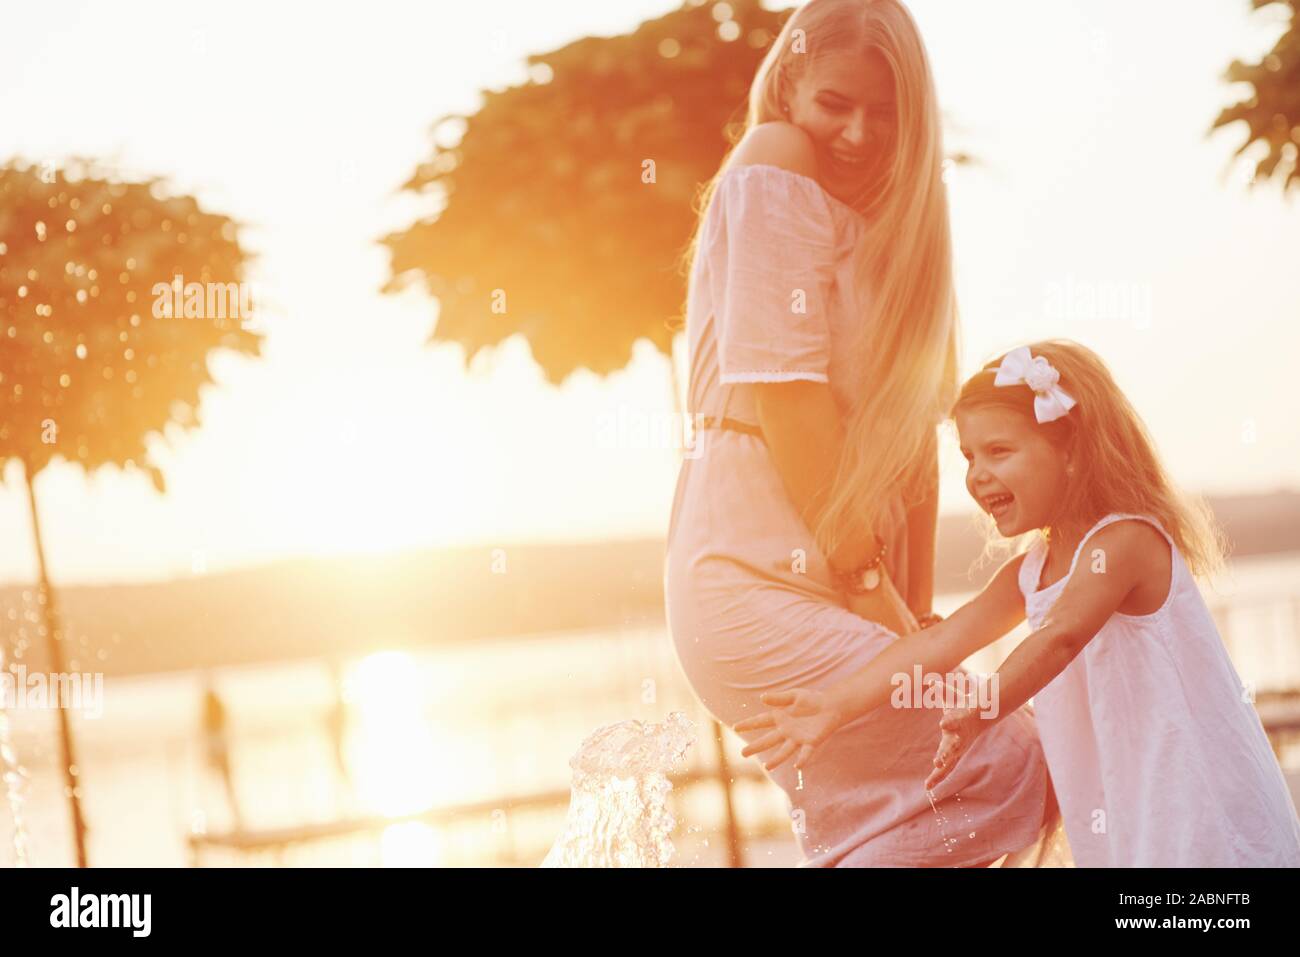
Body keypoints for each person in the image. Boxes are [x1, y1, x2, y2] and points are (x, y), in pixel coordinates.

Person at [664, 0, 1066, 866]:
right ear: (789, 88)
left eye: (882, 112)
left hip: (853, 577)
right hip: (752, 576)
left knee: (966, 782)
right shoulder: (776, 159)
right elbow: (785, 395)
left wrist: (910, 620)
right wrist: (864, 580)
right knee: (1004, 758)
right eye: (835, 103)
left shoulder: (902, 231)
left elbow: (913, 446)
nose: (856, 131)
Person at [738, 341, 1300, 866]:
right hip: (1128, 807)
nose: (977, 475)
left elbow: (1059, 637)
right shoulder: (1030, 572)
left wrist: (985, 706)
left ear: (1072, 451)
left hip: (1197, 799)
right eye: (968, 457)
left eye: (999, 451)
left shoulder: (1125, 542)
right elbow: (940, 642)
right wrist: (834, 705)